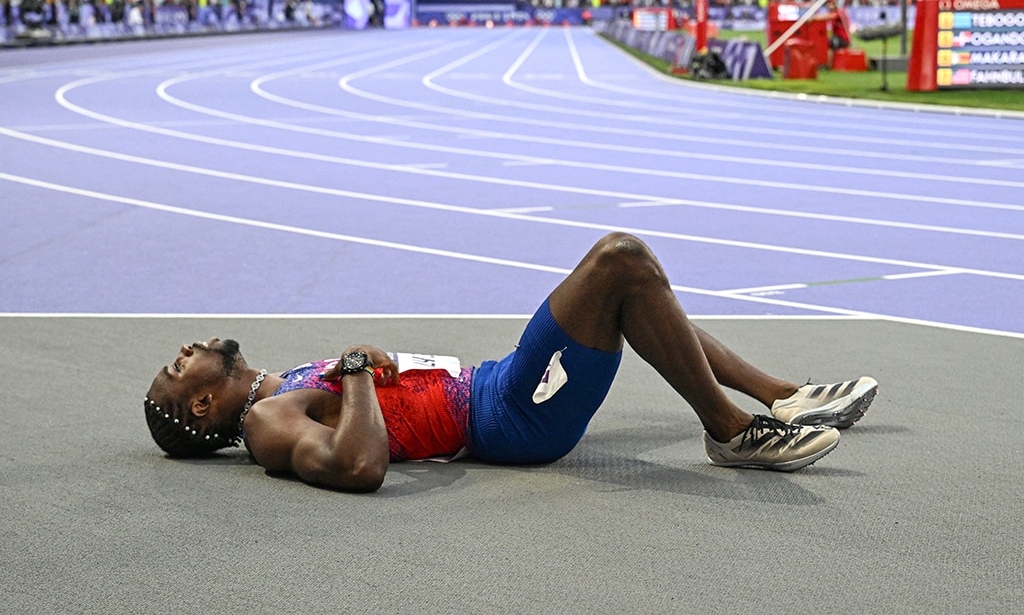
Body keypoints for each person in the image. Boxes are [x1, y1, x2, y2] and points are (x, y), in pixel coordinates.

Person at [145, 232, 877, 493]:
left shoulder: (282, 388)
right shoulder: (269, 419)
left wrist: (374, 370)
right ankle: (729, 428)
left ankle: (782, 395)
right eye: (178, 371)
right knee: (620, 262)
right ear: (205, 407)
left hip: (491, 384)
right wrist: (362, 371)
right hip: (508, 416)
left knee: (630, 289)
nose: (184, 352)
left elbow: (378, 410)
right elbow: (359, 467)